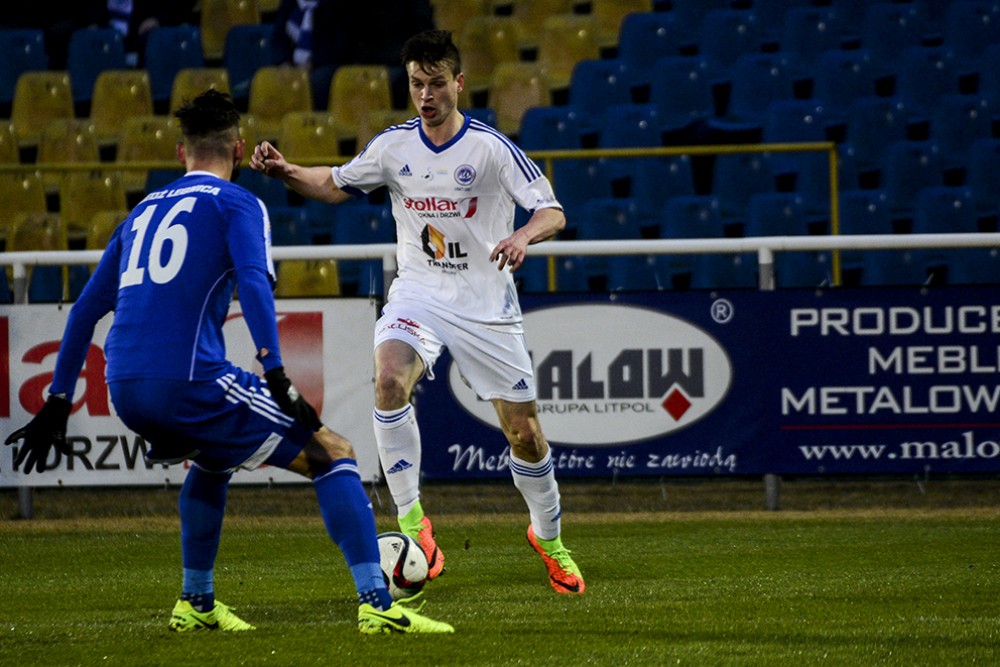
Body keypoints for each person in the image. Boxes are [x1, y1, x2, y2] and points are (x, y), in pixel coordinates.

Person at [4, 89, 454, 634]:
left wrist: (57, 399)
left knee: (213, 460)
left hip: (122, 384)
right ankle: (377, 605)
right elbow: (254, 285)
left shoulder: (141, 212)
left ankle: (196, 602)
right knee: (334, 453)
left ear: (181, 152)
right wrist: (276, 371)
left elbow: (84, 311)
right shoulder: (238, 204)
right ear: (239, 150)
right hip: (188, 380)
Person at [250, 29, 585, 594]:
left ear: (459, 83)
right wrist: (287, 171)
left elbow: (552, 211)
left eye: (436, 83)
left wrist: (523, 236)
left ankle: (549, 539)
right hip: (419, 293)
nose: (426, 95)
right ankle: (414, 526)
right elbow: (334, 184)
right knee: (387, 380)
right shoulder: (393, 146)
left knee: (525, 434)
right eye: (416, 84)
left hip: (485, 302)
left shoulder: (490, 149)